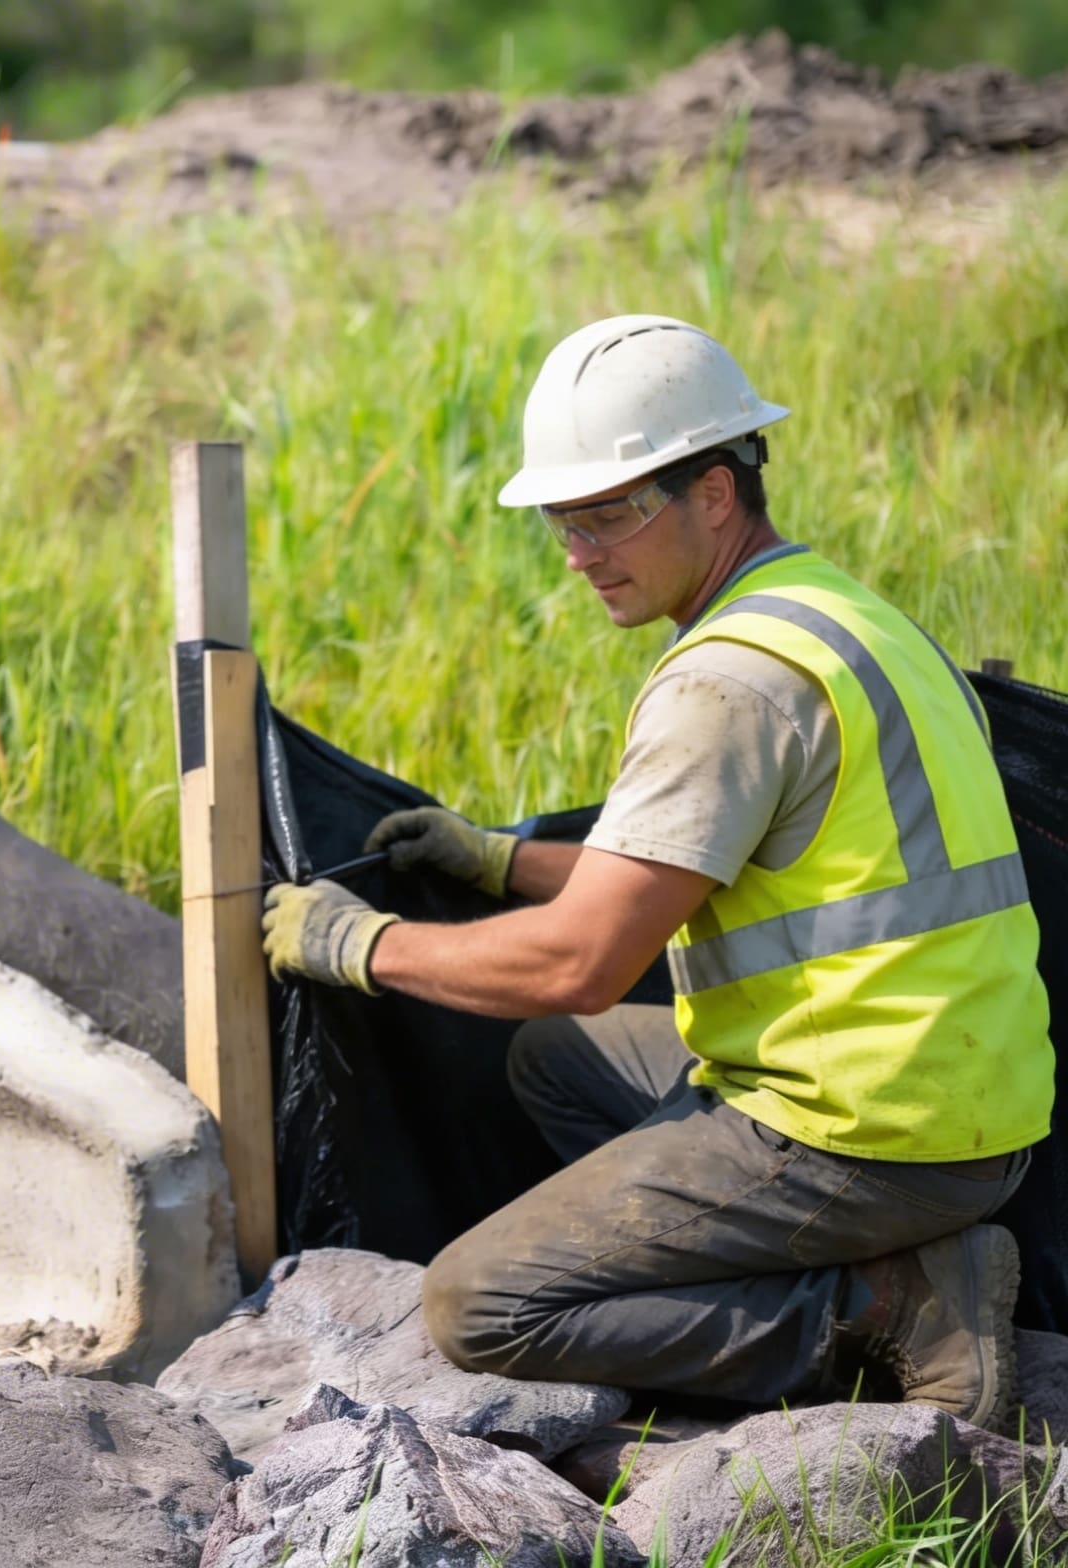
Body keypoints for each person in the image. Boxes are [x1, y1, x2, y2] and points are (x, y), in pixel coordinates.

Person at [258, 313, 1052, 1426]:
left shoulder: (726, 684)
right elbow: (689, 867)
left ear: (715, 493)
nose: (581, 554)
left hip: (865, 1132)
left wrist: (363, 943)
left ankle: (881, 1301)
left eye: (608, 517)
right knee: (557, 1064)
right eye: (562, 523)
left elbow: (583, 959)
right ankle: (788, 1259)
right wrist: (495, 861)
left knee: (480, 1303)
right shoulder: (846, 616)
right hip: (966, 1101)